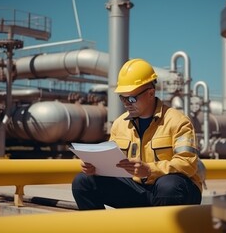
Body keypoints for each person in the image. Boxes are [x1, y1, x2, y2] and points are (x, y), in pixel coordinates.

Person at [71, 58, 204, 210]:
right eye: (123, 98)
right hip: (138, 189)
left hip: (175, 192)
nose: (127, 103)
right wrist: (95, 167)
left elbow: (188, 164)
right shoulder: (120, 124)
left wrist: (149, 170)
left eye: (132, 98)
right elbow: (111, 162)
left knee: (168, 186)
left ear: (150, 93)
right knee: (83, 182)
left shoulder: (178, 121)